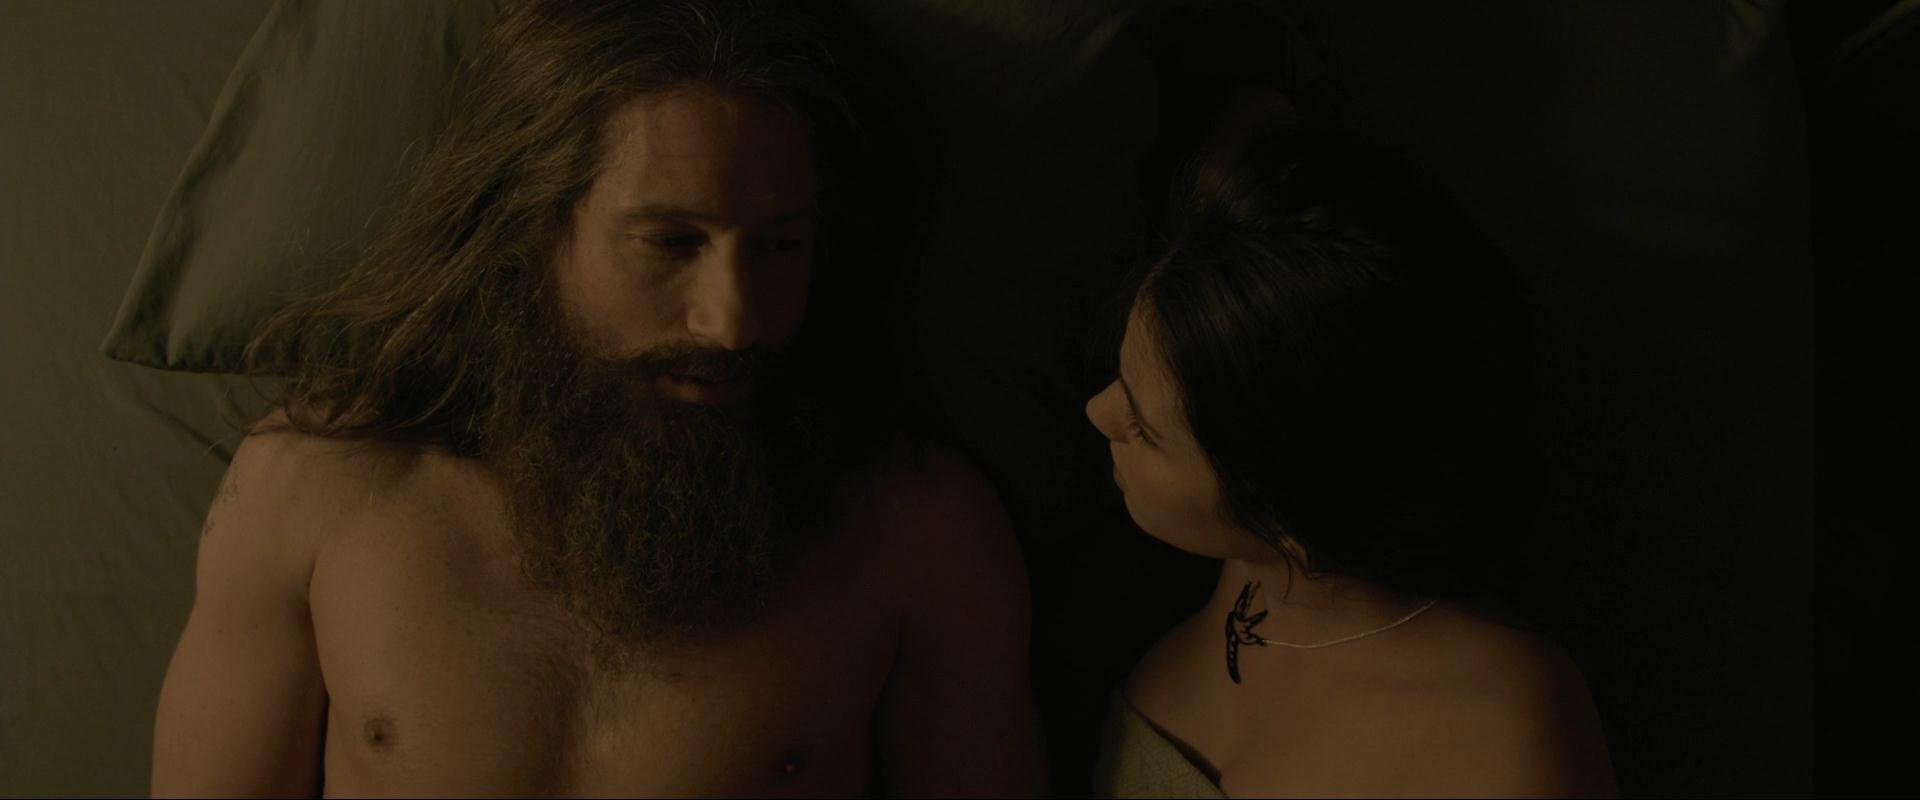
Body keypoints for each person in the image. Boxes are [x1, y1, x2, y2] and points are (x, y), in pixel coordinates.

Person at [150, 0, 1045, 795]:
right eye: (671, 242)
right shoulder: (311, 490)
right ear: (529, 228)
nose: (734, 324)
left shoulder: (918, 532)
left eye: (780, 246)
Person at [1084, 89, 1617, 797]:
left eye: (1145, 432)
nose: (1095, 413)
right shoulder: (1255, 561)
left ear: (1293, 521)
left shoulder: (1502, 734)